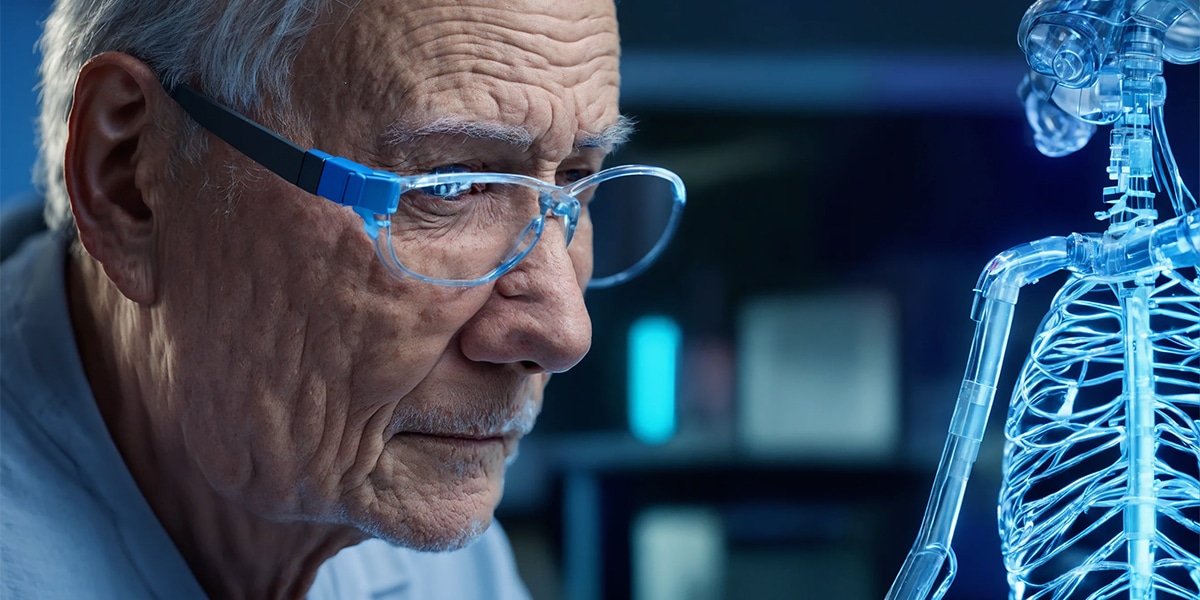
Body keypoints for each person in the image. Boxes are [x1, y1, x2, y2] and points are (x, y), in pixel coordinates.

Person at [0, 0, 684, 598]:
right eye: (445, 186)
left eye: (576, 186)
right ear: (131, 181)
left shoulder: (401, 515)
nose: (566, 334)